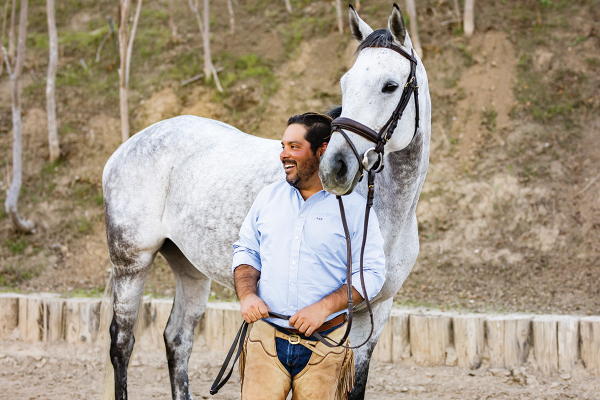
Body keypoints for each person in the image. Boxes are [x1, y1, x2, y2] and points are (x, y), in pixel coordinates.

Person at [232, 112, 386, 400]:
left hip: (325, 344)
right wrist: (247, 295)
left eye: (294, 147)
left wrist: (323, 308)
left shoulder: (354, 208)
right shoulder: (267, 198)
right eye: (283, 146)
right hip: (265, 338)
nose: (283, 155)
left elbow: (372, 274)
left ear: (322, 150)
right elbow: (246, 250)